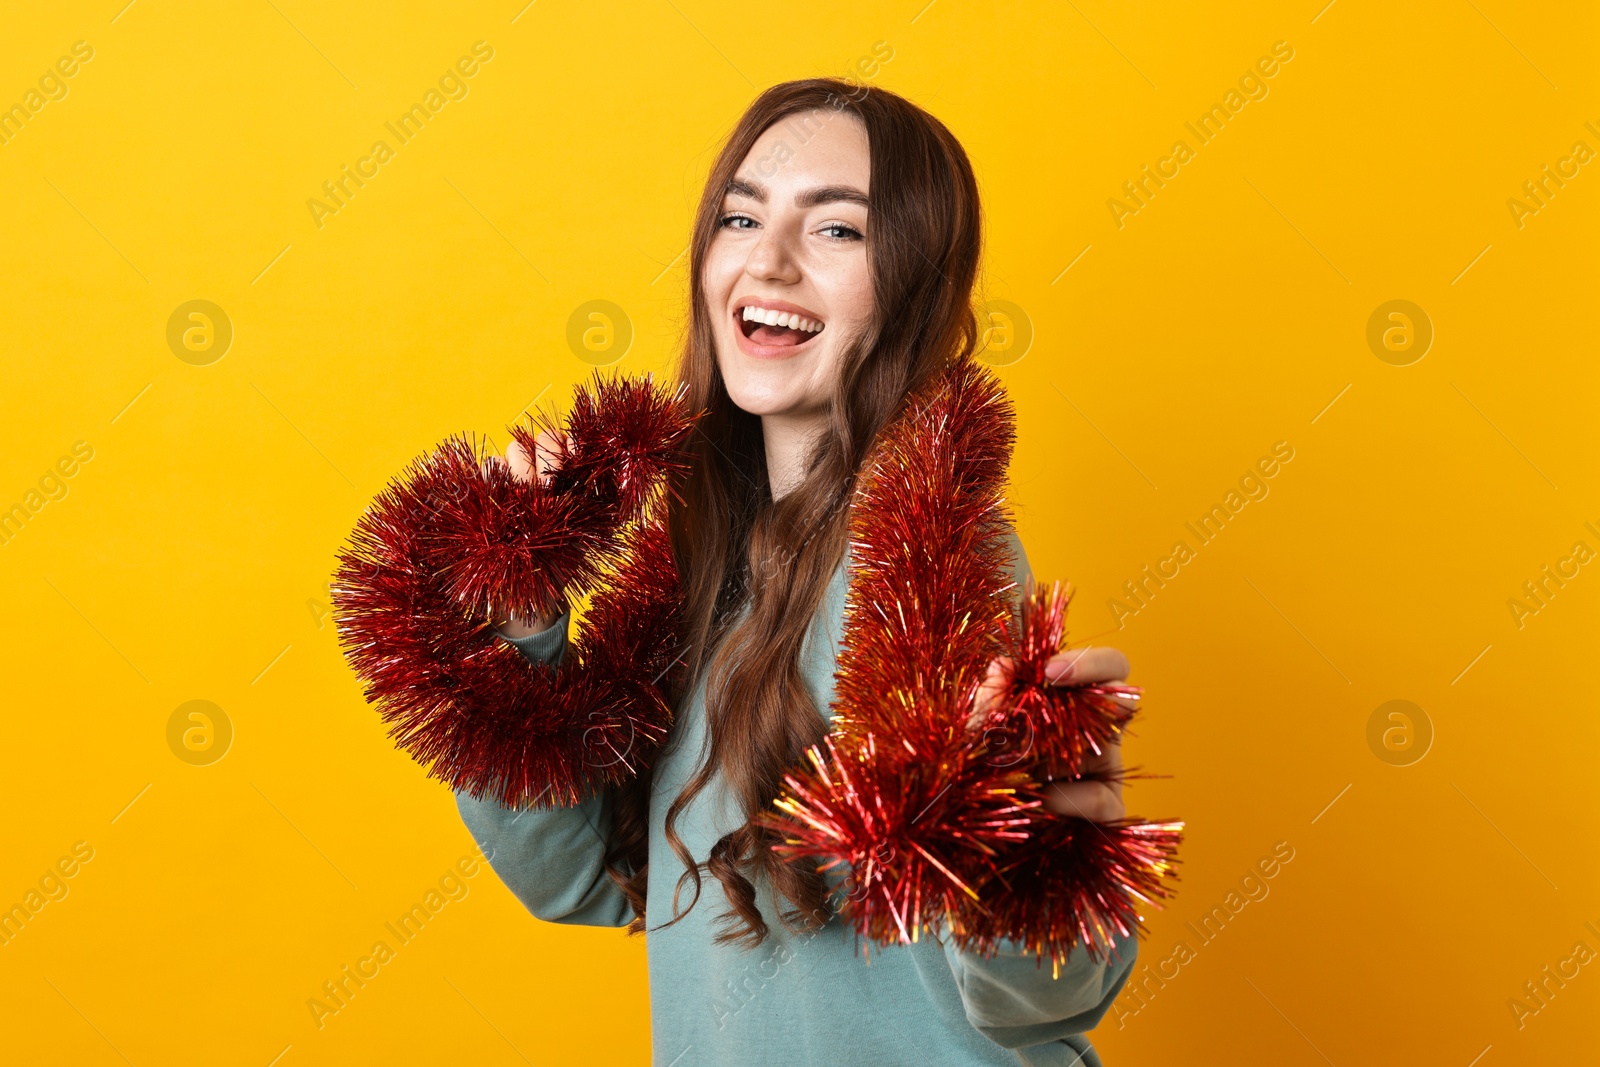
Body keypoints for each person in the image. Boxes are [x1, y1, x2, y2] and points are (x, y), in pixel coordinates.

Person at [457, 77, 1141, 1066]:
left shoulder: (931, 560)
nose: (767, 261)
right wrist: (525, 630)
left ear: (912, 282)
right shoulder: (698, 568)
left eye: (836, 232)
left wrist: (1041, 854)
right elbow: (585, 883)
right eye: (740, 216)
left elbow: (1031, 1003)